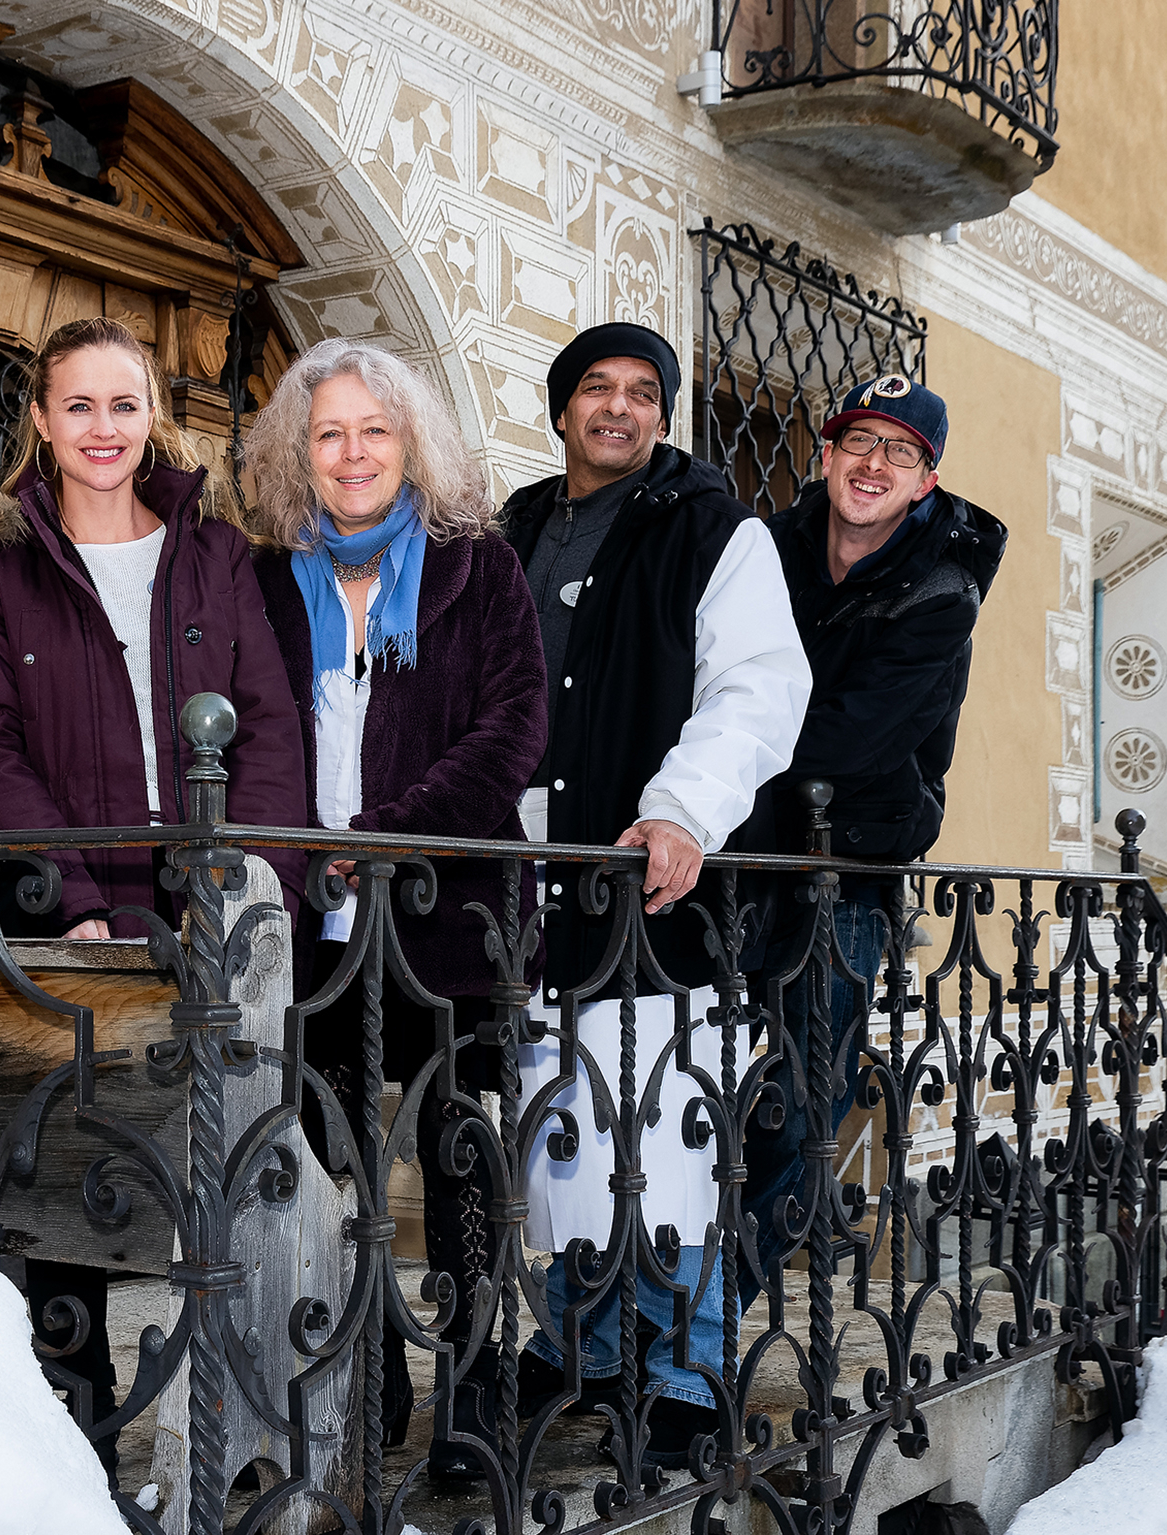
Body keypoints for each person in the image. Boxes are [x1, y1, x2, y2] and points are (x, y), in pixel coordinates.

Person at [0, 315, 308, 1475]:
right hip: (73, 919)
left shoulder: (213, 552)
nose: (104, 429)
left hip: (203, 912)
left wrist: (242, 891)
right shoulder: (1, 562)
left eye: (124, 404)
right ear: (42, 422)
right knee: (71, 1169)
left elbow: (265, 735)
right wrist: (73, 898)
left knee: (230, 1166)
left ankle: (243, 1421)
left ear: (153, 415)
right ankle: (78, 1437)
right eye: (79, 407)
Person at [500, 322, 810, 1467]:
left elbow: (755, 689)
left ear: (664, 417)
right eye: (596, 388)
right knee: (566, 1130)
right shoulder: (515, 529)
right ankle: (583, 1342)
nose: (618, 409)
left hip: (660, 885)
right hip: (538, 885)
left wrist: (681, 807)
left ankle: (684, 1370)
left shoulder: (711, 530)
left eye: (642, 393)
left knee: (669, 1131)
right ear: (561, 407)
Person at [243, 339, 547, 1483]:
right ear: (298, 451)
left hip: (445, 910)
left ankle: (471, 1388)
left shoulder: (478, 569)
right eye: (328, 432)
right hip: (308, 918)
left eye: (374, 429)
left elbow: (510, 729)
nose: (352, 451)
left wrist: (382, 836)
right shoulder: (267, 579)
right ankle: (369, 1366)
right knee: (326, 1153)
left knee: (454, 1144)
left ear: (411, 442)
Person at [741, 374, 1007, 1304]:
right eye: (856, 440)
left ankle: (700, 1319)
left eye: (899, 451)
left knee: (796, 1107)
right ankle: (635, 1309)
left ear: (925, 480)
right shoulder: (760, 549)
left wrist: (726, 753)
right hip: (728, 862)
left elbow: (855, 737)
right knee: (683, 1096)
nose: (872, 463)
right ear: (824, 456)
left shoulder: (940, 589)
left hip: (844, 874)